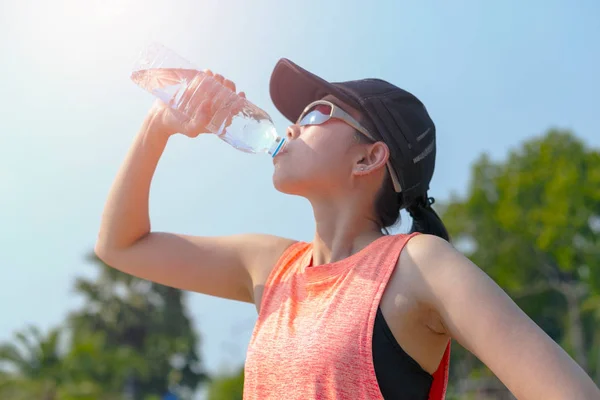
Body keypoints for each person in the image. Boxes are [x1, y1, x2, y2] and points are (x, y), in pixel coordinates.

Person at [95, 58, 600, 400]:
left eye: (315, 113)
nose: (290, 126)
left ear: (369, 157)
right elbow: (121, 245)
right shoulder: (270, 266)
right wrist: (158, 126)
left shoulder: (420, 265)